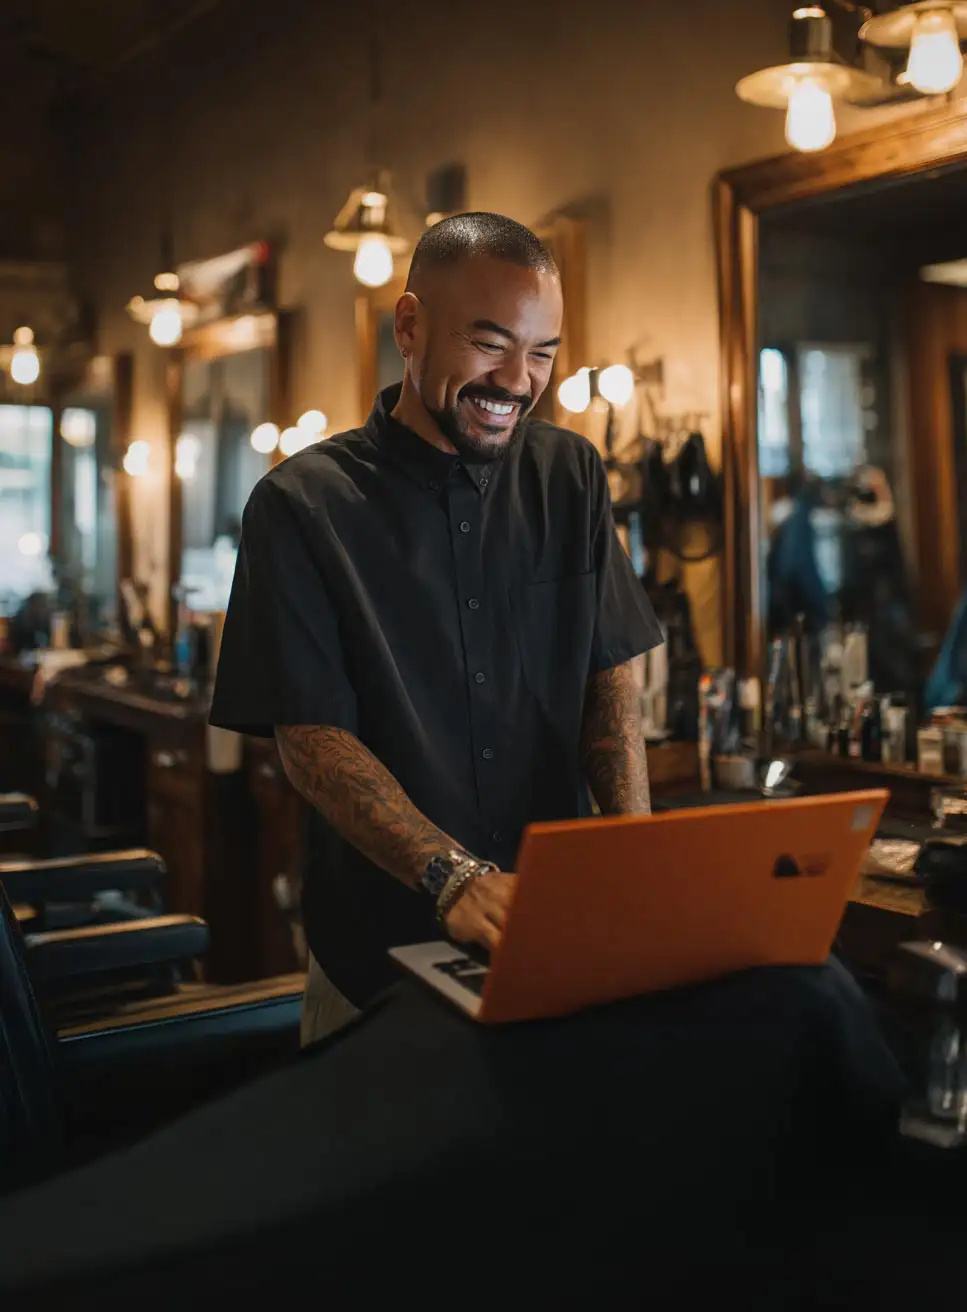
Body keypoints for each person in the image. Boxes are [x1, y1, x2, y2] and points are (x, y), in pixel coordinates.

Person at [210, 213, 663, 1043]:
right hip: (377, 966)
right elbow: (310, 737)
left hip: (554, 952)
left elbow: (608, 675)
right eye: (490, 343)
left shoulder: (572, 476)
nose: (519, 380)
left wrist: (630, 852)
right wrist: (452, 877)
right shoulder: (300, 507)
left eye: (543, 353)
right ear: (409, 327)